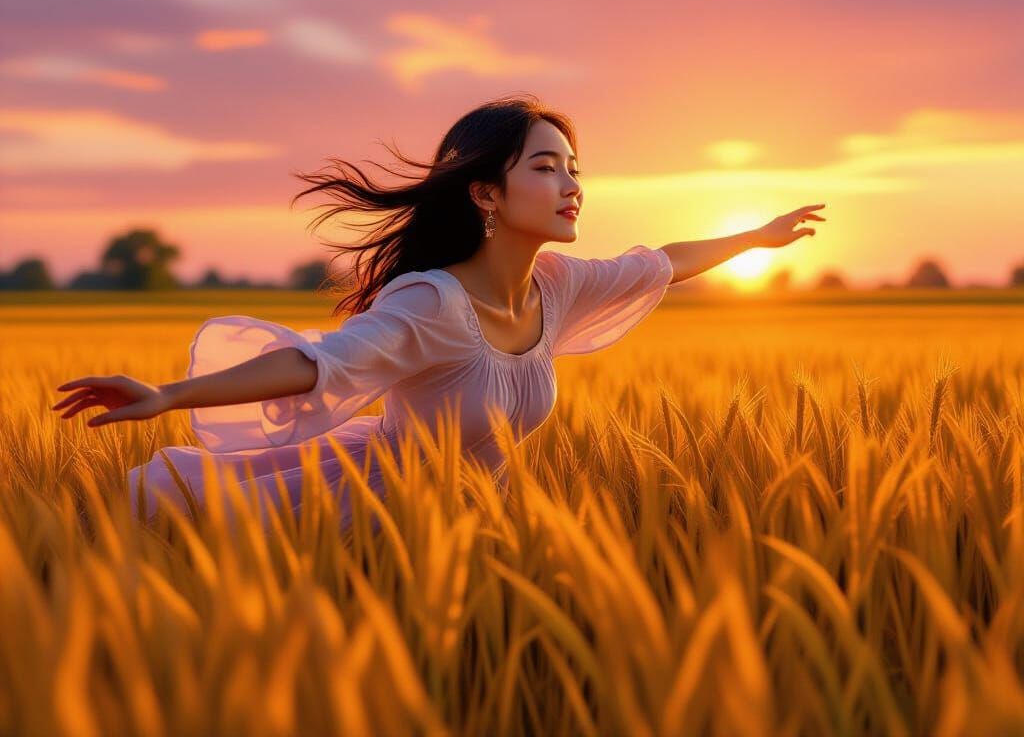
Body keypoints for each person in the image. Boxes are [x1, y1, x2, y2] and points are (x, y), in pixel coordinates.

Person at [50, 93, 826, 531]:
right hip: (380, 522)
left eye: (574, 169)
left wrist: (755, 238)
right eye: (546, 167)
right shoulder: (433, 302)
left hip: (482, 529)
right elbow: (319, 363)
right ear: (486, 192)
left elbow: (659, 262)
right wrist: (170, 396)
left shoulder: (557, 287)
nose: (571, 186)